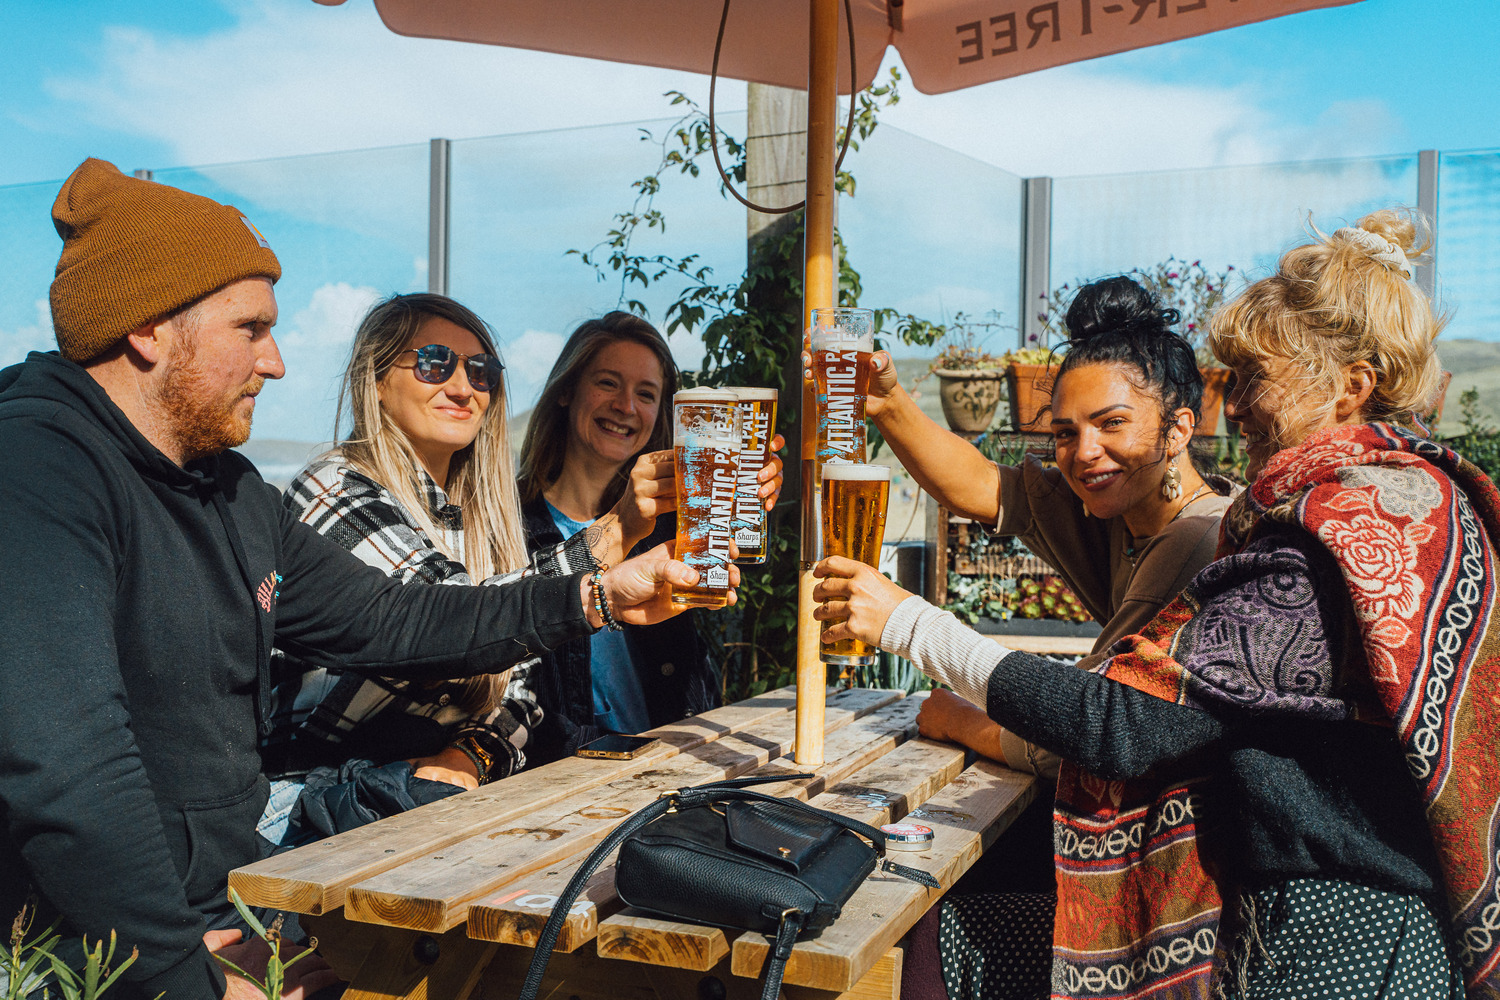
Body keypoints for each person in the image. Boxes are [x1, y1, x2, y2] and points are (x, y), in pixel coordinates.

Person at [0, 160, 720, 1000]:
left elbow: (397, 619)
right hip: (85, 955)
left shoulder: (229, 490)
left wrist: (597, 596)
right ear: (149, 329)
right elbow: (68, 769)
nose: (274, 362)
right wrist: (183, 978)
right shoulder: (36, 469)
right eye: (250, 327)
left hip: (242, 901)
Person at [816, 209, 1492, 998]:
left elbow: (1121, 725)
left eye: (1253, 378)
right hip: (1352, 925)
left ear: (1352, 386)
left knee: (934, 935)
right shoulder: (1416, 502)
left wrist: (909, 622)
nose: (1232, 408)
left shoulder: (1317, 539)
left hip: (1325, 945)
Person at [256, 296, 685, 851]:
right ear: (377, 379)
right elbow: (446, 619)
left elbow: (523, 684)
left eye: (481, 371)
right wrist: (615, 541)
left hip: (412, 802)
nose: (463, 386)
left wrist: (467, 755)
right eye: (436, 363)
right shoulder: (335, 488)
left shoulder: (483, 517)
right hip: (307, 811)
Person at [853, 277, 1234, 782]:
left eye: (1112, 423)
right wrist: (888, 403)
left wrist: (962, 722)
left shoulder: (1197, 539)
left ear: (1180, 428)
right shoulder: (1122, 508)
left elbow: (1087, 727)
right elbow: (985, 488)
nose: (1084, 452)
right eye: (1064, 433)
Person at [515, 312, 785, 760]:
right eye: (607, 383)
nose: (626, 406)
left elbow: (745, 578)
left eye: (646, 394)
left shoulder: (672, 523)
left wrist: (747, 501)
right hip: (558, 783)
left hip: (671, 767)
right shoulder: (508, 524)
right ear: (566, 390)